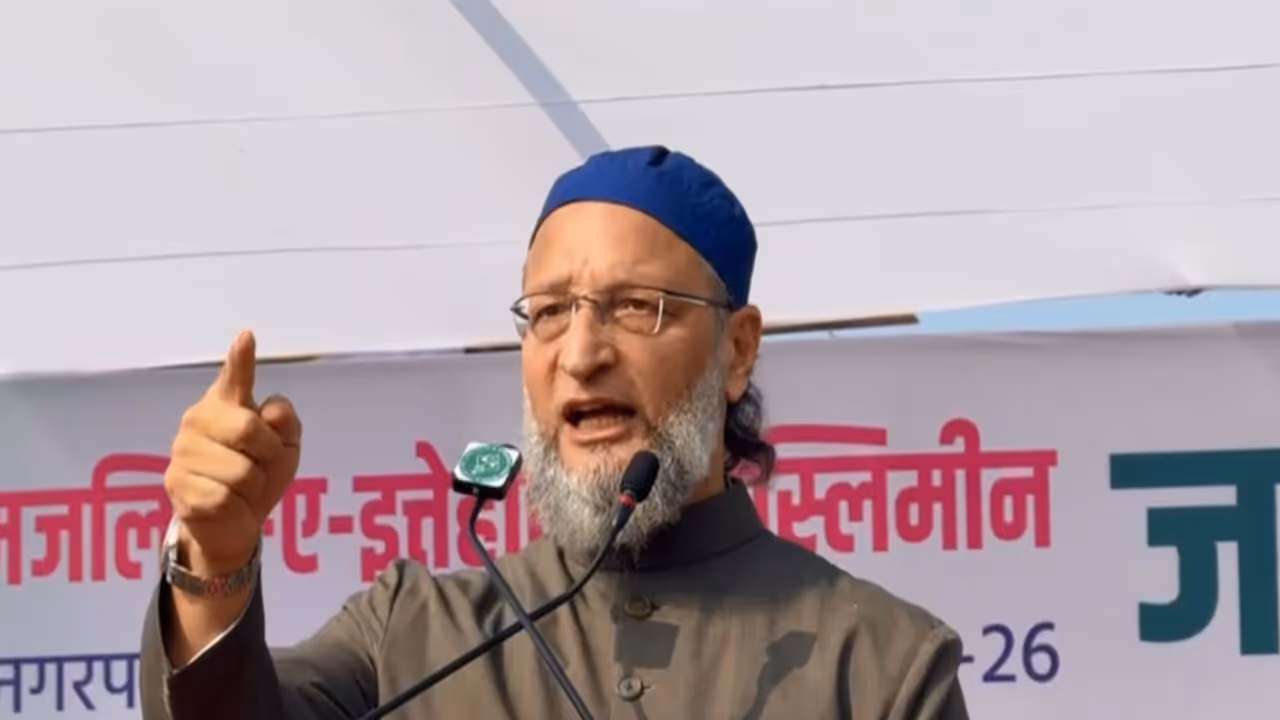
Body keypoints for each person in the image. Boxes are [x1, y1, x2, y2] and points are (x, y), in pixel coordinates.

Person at [140, 145, 970, 719]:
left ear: (737, 349)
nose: (579, 354)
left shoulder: (883, 665)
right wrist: (214, 560)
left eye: (635, 307)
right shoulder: (414, 630)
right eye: (548, 313)